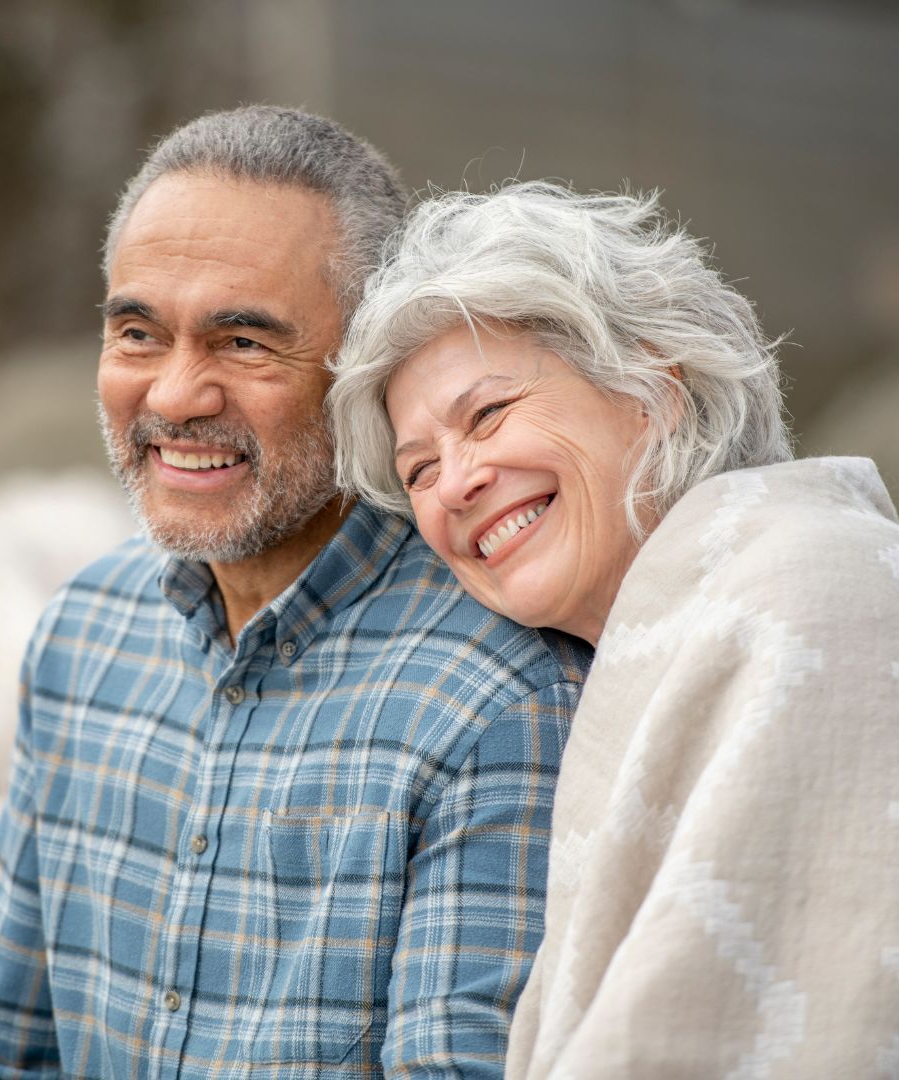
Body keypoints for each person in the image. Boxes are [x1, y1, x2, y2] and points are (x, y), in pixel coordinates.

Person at [0, 110, 592, 1078]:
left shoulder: (499, 695)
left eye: (244, 343)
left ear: (370, 369)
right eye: (137, 332)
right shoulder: (86, 631)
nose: (175, 396)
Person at [330, 181, 899, 1077]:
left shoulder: (811, 588)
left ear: (656, 388)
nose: (454, 483)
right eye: (418, 469)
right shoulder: (619, 649)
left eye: (487, 415)